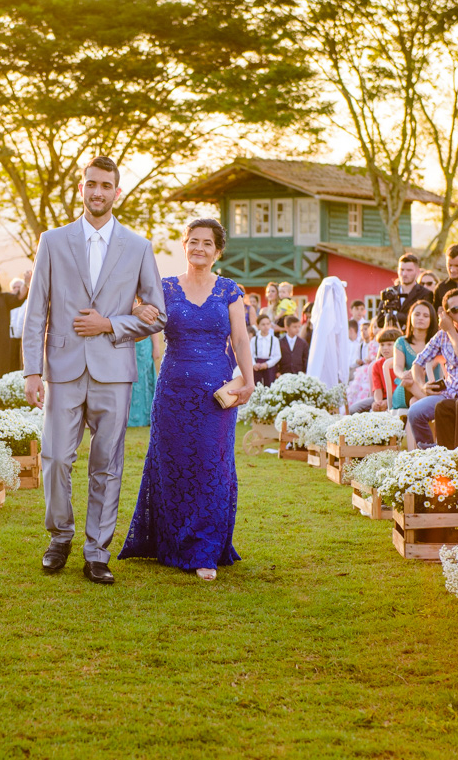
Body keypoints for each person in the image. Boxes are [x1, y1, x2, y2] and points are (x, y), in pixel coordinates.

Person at [23, 155, 167, 585]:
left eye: (106, 185)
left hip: (114, 370)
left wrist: (111, 324)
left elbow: (157, 315)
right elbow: (35, 311)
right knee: (54, 458)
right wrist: (32, 371)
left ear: (117, 192)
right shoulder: (52, 241)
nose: (98, 192)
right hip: (62, 368)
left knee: (107, 464)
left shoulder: (138, 247)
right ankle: (60, 537)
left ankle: (97, 552)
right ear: (81, 188)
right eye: (91, 184)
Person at [120, 218, 252, 580]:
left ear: (218, 251)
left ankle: (205, 550)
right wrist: (133, 312)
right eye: (193, 241)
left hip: (216, 395)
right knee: (173, 465)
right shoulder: (165, 288)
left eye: (207, 243)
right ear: (184, 246)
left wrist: (250, 381)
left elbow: (240, 340)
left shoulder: (229, 291)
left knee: (212, 467)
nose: (199, 248)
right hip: (173, 392)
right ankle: (173, 543)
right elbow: (141, 323)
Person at [407, 289, 458, 448]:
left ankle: (447, 454)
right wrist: (422, 385)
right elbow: (417, 363)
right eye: (456, 309)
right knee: (415, 413)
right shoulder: (442, 335)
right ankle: (431, 455)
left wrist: (450, 330)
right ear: (447, 315)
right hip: (449, 393)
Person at [394, 299, 440, 406]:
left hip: (432, 388)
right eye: (417, 314)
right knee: (409, 382)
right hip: (407, 387)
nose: (421, 318)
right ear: (410, 317)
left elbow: (427, 368)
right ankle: (436, 406)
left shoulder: (438, 342)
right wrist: (403, 375)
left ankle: (432, 404)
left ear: (431, 320)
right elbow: (397, 367)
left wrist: (416, 375)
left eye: (425, 316)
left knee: (415, 402)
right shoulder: (401, 342)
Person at [351, 328, 401, 413]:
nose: (385, 348)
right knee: (354, 409)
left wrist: (388, 402)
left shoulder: (403, 362)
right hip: (383, 397)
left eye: (389, 344)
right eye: (382, 345)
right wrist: (378, 403)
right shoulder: (377, 365)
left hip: (400, 398)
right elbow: (377, 389)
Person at [380, 253, 434, 321]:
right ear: (397, 270)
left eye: (409, 270)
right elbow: (380, 320)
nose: (404, 274)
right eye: (402, 270)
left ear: (417, 272)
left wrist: (394, 315)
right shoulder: (389, 292)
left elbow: (422, 319)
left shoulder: (425, 294)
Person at [250, 314, 281, 387]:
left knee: (269, 385)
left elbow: (278, 356)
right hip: (257, 364)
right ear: (258, 326)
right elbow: (250, 354)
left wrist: (267, 364)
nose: (266, 326)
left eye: (268, 324)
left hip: (269, 365)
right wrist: (254, 364)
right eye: (263, 324)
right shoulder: (254, 340)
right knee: (257, 386)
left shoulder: (274, 340)